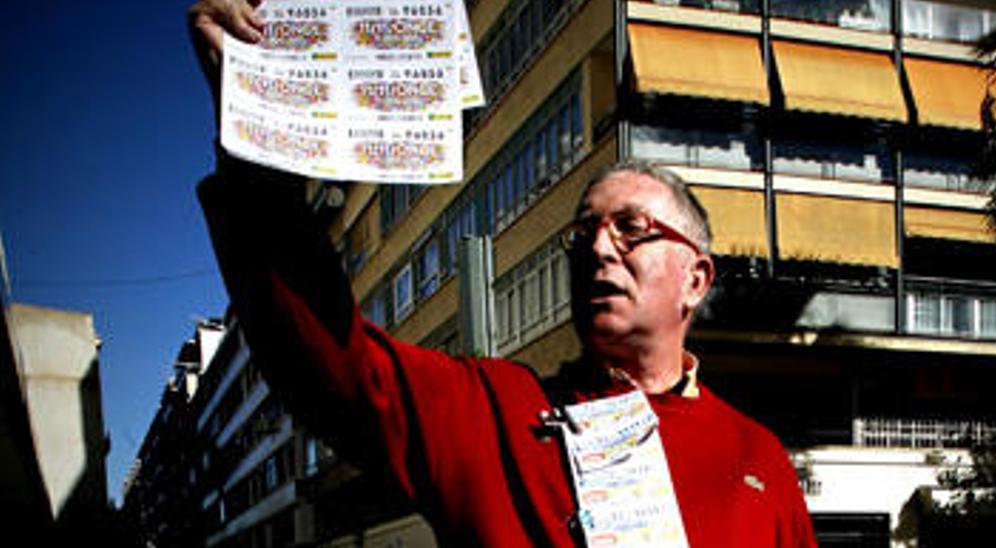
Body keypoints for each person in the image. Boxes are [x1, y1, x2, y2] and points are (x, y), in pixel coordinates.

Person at [189, 0, 817, 546]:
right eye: (582, 233)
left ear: (696, 279)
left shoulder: (758, 459)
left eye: (630, 229)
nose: (598, 247)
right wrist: (258, 138)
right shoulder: (490, 412)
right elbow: (330, 364)